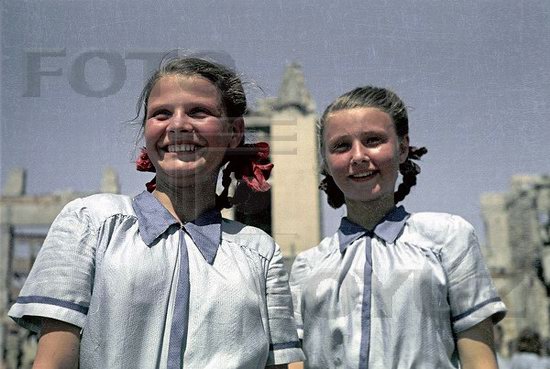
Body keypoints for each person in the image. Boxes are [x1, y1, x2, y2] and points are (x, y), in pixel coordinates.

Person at [9, 55, 304, 369]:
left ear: (234, 132)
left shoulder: (259, 252)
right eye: (161, 113)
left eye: (198, 111)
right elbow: (52, 363)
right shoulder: (90, 222)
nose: (177, 125)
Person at [289, 86, 507, 369]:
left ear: (402, 148)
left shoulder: (449, 237)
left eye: (373, 140)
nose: (358, 156)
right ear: (326, 162)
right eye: (341, 146)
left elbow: (480, 362)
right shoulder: (306, 266)